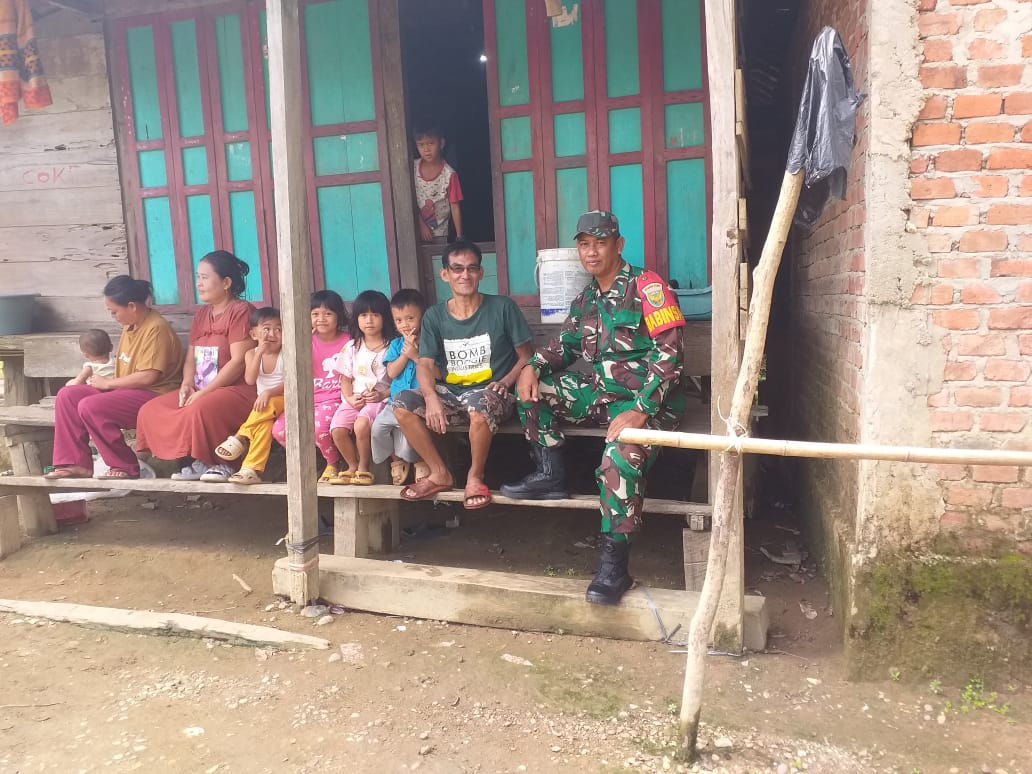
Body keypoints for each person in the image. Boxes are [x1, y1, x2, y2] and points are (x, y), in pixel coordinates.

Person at [501, 211, 687, 605]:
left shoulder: (647, 287)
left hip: (650, 405)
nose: (592, 251)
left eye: (600, 243)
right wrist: (532, 366)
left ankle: (614, 568)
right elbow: (564, 346)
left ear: (619, 245)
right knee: (532, 388)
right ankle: (550, 473)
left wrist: (641, 410)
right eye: (584, 244)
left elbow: (671, 355)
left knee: (617, 458)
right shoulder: (586, 299)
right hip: (603, 397)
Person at [394, 239, 533, 509]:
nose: (465, 275)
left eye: (471, 268)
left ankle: (475, 476)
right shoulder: (434, 316)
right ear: (445, 274)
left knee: (479, 405)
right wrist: (430, 397)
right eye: (457, 269)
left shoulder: (502, 308)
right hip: (451, 393)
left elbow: (527, 355)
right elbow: (425, 364)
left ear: (481, 273)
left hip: (492, 394)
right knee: (401, 404)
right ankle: (439, 473)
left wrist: (505, 382)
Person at [135, 250, 257, 482]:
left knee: (200, 408)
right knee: (151, 409)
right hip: (202, 387)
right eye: (197, 277)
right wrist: (187, 384)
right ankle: (189, 460)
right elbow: (191, 358)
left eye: (204, 277)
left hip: (238, 389)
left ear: (226, 283)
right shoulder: (202, 314)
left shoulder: (241, 311)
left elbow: (239, 362)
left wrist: (205, 392)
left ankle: (222, 463)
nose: (198, 283)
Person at [44, 276, 183, 480]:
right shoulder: (131, 325)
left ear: (132, 306)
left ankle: (124, 466)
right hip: (128, 392)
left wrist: (108, 383)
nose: (112, 316)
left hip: (155, 395)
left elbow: (148, 376)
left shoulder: (156, 328)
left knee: (91, 406)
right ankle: (75, 463)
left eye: (114, 311)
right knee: (67, 395)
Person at [272, 290, 352, 483]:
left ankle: (333, 463)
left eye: (328, 313)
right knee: (279, 430)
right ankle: (313, 462)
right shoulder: (304, 342)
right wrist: (302, 338)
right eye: (315, 314)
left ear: (339, 316)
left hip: (336, 398)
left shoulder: (348, 340)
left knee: (318, 428)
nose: (321, 319)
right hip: (309, 399)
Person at [328, 290, 397, 485]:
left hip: (381, 400)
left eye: (375, 315)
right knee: (337, 429)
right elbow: (345, 379)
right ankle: (351, 465)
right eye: (363, 315)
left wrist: (382, 394)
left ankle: (364, 468)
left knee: (361, 425)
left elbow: (398, 381)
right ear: (356, 318)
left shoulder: (392, 346)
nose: (369, 320)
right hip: (354, 399)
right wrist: (349, 398)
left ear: (385, 317)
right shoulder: (352, 347)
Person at [212, 307, 284, 485]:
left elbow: (292, 382)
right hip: (263, 409)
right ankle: (250, 469)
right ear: (253, 334)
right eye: (266, 329)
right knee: (264, 427)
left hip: (285, 399)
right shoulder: (251, 354)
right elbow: (250, 379)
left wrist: (268, 392)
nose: (272, 334)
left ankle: (241, 436)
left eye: (278, 329)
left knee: (268, 404)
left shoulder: (286, 353)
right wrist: (259, 352)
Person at [370, 288, 431, 486]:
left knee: (407, 438)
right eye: (399, 320)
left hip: (417, 402)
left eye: (410, 318)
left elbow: (435, 371)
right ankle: (394, 459)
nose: (404, 324)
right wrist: (406, 354)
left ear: (422, 316)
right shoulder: (396, 345)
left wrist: (416, 355)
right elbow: (392, 373)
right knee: (377, 429)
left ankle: (417, 459)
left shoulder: (429, 341)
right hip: (394, 401)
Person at [413, 125, 463, 243]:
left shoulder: (449, 174)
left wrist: (459, 237)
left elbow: (454, 206)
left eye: (431, 143)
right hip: (413, 230)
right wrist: (421, 223)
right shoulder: (412, 168)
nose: (426, 149)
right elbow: (406, 198)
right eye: (421, 144)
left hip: (440, 235)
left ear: (441, 143)